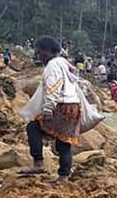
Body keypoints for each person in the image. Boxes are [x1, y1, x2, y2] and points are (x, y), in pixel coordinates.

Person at [18, 36, 82, 180]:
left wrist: (48, 107)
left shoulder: (53, 65)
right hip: (73, 106)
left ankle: (38, 163)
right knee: (64, 141)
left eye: (40, 52)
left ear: (49, 51)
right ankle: (64, 175)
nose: (39, 55)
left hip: (60, 106)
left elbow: (54, 86)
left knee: (33, 127)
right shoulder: (65, 64)